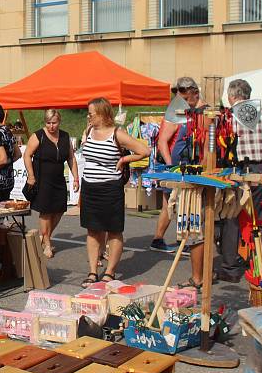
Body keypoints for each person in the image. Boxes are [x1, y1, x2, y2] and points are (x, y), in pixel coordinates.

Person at [183, 79, 262, 288]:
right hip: (260, 170)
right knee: (259, 219)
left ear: (232, 96)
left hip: (235, 171)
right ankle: (260, 261)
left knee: (231, 218)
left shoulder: (229, 117)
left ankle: (230, 266)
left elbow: (216, 147)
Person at [80, 98, 150, 287]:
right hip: (90, 187)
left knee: (113, 230)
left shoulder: (118, 133)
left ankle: (110, 271)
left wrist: (125, 159)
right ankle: (93, 271)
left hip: (110, 188)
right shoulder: (88, 130)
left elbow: (145, 151)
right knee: (93, 229)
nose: (89, 117)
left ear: (102, 114)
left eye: (91, 114)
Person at [152, 76, 207, 254]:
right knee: (172, 203)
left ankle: (173, 240)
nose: (181, 98)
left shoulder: (197, 108)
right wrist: (170, 167)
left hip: (189, 162)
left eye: (184, 95)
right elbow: (162, 142)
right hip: (175, 164)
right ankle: (161, 239)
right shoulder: (175, 112)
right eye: (180, 95)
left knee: (182, 203)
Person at [24, 109, 79, 259]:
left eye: (54, 123)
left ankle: (45, 235)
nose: (51, 126)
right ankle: (47, 242)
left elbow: (71, 158)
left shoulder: (65, 136)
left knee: (60, 209)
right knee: (46, 212)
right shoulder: (38, 136)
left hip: (58, 178)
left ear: (59, 122)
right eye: (48, 123)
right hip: (42, 178)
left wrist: (76, 178)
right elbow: (27, 155)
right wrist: (31, 175)